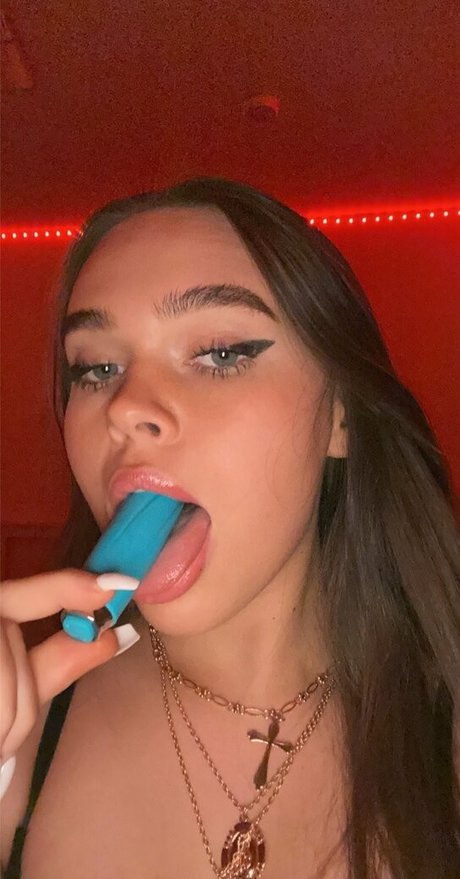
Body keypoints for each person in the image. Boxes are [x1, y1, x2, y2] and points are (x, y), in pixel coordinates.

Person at [0, 177, 459, 879]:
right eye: (95, 368)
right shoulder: (24, 732)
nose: (124, 406)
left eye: (219, 352)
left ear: (339, 416)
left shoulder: (443, 722)